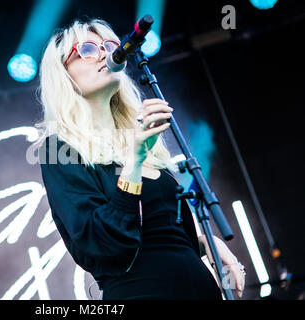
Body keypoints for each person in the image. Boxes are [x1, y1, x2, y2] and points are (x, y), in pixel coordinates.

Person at [34, 17, 245, 300]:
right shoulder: (59, 149)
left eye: (109, 46)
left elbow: (162, 227)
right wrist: (133, 162)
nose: (106, 54)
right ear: (64, 74)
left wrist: (208, 242)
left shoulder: (141, 136)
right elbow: (100, 243)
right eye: (87, 49)